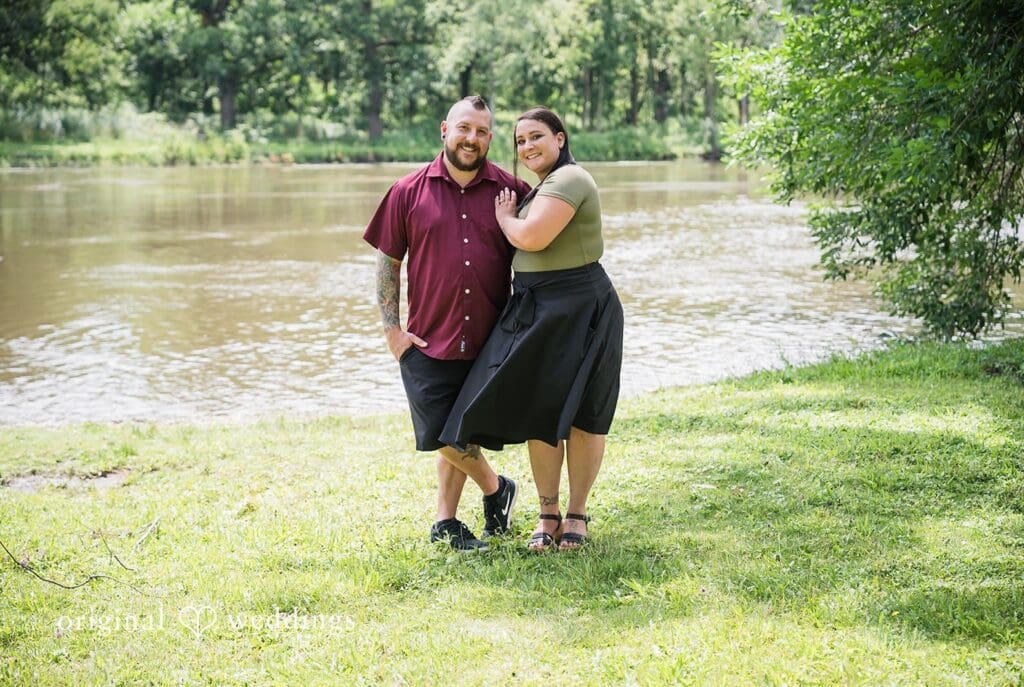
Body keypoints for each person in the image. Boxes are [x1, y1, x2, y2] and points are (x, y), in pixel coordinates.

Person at [440, 107, 624, 551]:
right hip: (537, 305)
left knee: (585, 416)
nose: (527, 147)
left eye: (536, 136)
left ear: (560, 138)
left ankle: (576, 514)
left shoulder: (571, 179)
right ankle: (547, 513)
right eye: (520, 141)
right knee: (541, 415)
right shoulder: (541, 187)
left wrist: (506, 220)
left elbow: (533, 237)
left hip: (580, 305)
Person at [363, 96, 531, 551]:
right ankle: (497, 488)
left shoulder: (512, 192)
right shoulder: (407, 191)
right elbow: (388, 262)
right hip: (426, 339)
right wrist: (391, 330)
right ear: (444, 130)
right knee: (441, 432)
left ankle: (445, 522)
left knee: (462, 432)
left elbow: (540, 250)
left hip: (490, 340)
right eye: (464, 128)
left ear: (490, 138)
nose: (471, 139)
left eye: (481, 131)